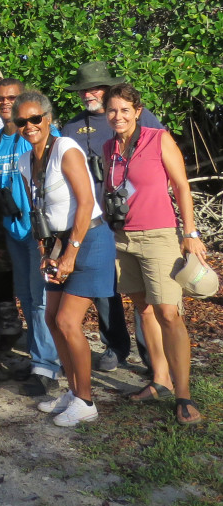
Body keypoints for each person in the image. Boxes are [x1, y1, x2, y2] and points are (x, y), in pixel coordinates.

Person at [102, 83, 206, 425]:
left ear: (137, 110)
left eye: (124, 110)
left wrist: (190, 234)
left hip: (159, 236)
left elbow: (181, 186)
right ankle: (159, 380)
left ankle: (184, 395)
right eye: (112, 110)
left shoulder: (157, 138)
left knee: (168, 313)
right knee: (143, 310)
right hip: (123, 238)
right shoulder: (108, 148)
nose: (118, 116)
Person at [15, 90, 115, 427]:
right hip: (57, 244)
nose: (29, 126)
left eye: (34, 119)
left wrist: (70, 253)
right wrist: (49, 252)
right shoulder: (24, 161)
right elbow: (40, 209)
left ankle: (87, 401)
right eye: (21, 121)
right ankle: (73, 391)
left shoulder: (66, 149)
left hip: (87, 241)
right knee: (51, 319)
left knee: (68, 322)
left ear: (47, 118)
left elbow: (86, 203)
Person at [62, 61, 163, 372]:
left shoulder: (139, 117)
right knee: (105, 286)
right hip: (94, 217)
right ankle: (115, 346)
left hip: (137, 215)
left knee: (143, 291)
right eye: (85, 88)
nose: (91, 93)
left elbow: (161, 155)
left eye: (97, 87)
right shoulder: (70, 128)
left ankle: (151, 357)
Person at [0, 79, 60, 393]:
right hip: (14, 230)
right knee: (27, 298)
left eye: (11, 98)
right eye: (0, 98)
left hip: (39, 230)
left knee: (41, 299)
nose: (5, 103)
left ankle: (48, 367)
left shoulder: (39, 134)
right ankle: (41, 357)